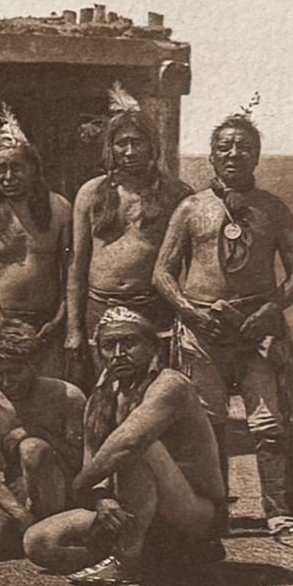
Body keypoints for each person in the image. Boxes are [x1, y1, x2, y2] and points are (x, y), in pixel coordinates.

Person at [154, 108, 293, 549]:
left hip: (256, 331)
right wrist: (189, 312)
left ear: (257, 156)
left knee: (269, 424)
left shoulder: (273, 209)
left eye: (243, 146)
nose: (233, 153)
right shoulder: (191, 208)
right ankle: (213, 514)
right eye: (223, 146)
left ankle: (282, 516)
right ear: (211, 156)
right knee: (206, 426)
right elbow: (163, 273)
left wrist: (270, 310)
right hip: (202, 330)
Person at [25, 307, 226, 585]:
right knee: (38, 542)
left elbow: (130, 442)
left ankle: (126, 561)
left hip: (193, 512)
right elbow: (92, 463)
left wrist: (81, 486)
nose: (119, 353)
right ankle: (152, 557)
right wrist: (100, 499)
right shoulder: (101, 397)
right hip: (135, 506)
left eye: (130, 343)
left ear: (152, 346)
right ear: (99, 352)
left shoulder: (170, 384)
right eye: (109, 345)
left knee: (138, 448)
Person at [65, 85, 190, 372]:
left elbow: (190, 264)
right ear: (110, 148)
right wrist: (74, 328)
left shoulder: (176, 194)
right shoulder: (91, 193)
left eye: (138, 142)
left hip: (153, 311)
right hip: (99, 309)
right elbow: (76, 264)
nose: (130, 151)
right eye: (122, 143)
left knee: (154, 390)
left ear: (152, 146)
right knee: (105, 389)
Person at [0, 322, 86, 560]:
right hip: (19, 492)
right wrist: (18, 513)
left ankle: (52, 530)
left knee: (32, 449)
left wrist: (38, 433)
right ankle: (34, 532)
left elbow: (81, 460)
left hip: (62, 490)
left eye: (15, 372)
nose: (7, 382)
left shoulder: (67, 396)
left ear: (34, 364)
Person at [0, 107, 72, 379]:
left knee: (49, 391)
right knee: (7, 391)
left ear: (33, 169)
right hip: (1, 320)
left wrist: (59, 319)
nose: (8, 177)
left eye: (17, 168)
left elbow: (70, 270)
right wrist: (1, 325)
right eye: (1, 169)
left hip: (47, 325)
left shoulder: (59, 209)